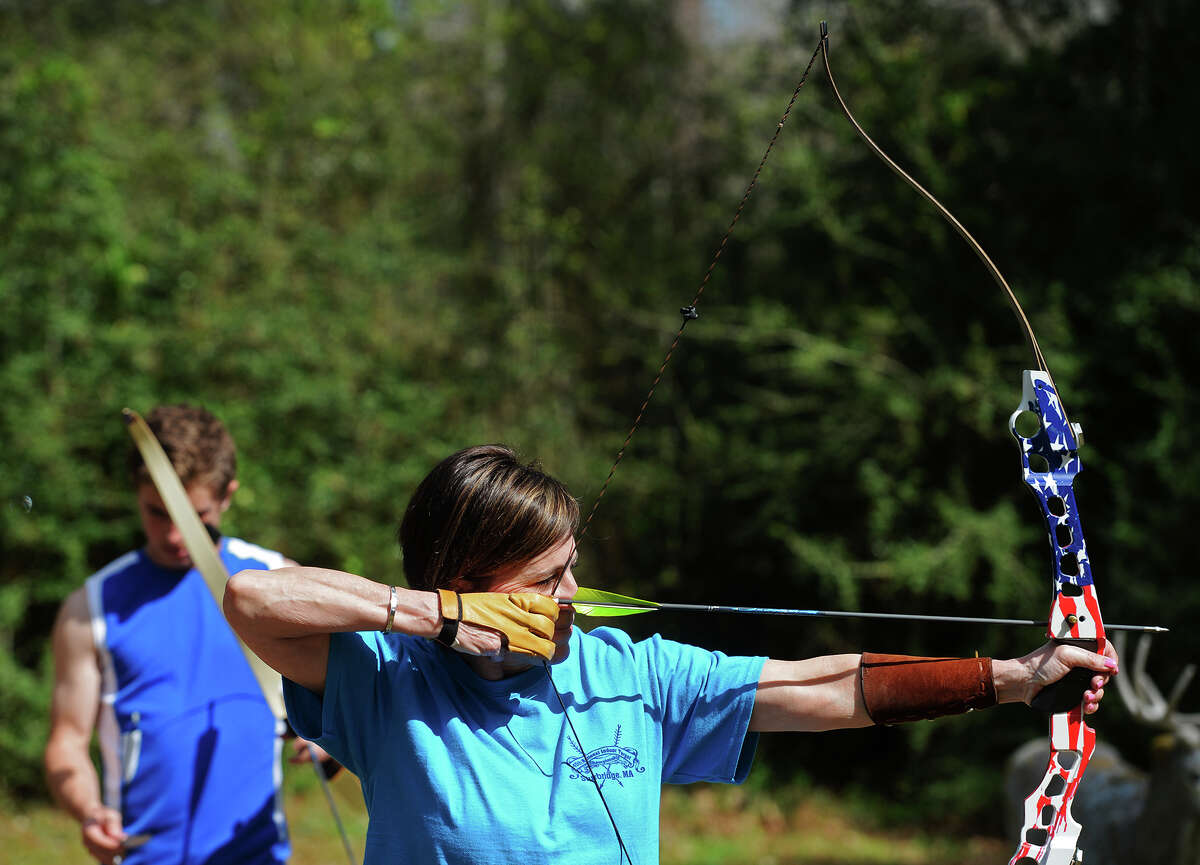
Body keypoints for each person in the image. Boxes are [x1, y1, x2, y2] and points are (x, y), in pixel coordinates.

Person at [223, 444, 1118, 865]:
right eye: (544, 579)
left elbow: (825, 685)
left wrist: (1011, 678)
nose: (571, 595)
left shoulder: (629, 670)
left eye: (571, 568)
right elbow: (253, 598)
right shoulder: (387, 680)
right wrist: (436, 617)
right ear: (469, 581)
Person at [45, 404, 323, 865]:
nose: (175, 536)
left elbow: (339, 703)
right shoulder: (89, 607)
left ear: (227, 496)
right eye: (157, 513)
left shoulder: (276, 580)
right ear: (137, 494)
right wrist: (89, 811)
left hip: (256, 854)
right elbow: (67, 742)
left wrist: (327, 741)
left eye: (194, 518)